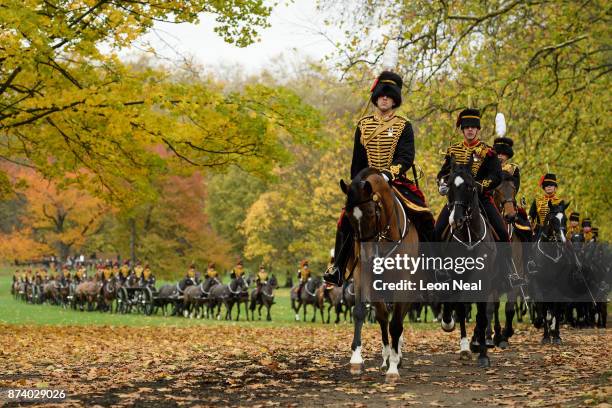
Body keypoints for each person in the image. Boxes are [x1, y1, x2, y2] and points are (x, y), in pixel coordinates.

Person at [324, 70, 435, 286]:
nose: (385, 98)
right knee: (344, 220)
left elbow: (406, 157)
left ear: (395, 99)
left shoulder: (404, 125)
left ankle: (434, 269)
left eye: (389, 95)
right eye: (381, 95)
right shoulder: (363, 125)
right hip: (366, 185)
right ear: (376, 98)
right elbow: (357, 161)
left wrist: (387, 174)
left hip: (395, 181)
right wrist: (358, 184)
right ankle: (337, 268)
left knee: (424, 215)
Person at [435, 108, 508, 243]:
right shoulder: (453, 150)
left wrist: (478, 186)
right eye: (467, 127)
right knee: (436, 231)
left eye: (473, 127)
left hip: (480, 199)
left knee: (502, 232)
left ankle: (507, 264)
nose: (470, 130)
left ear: (478, 130)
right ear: (462, 130)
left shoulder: (488, 151)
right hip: (457, 198)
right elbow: (443, 173)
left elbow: (496, 175)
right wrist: (442, 184)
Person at [493, 136, 532, 241]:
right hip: (490, 199)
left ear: (508, 156)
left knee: (525, 227)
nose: (500, 156)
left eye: (503, 154)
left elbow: (515, 186)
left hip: (507, 200)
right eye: (498, 153)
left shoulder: (513, 168)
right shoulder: (489, 167)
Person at [529, 173, 563, 238]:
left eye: (551, 185)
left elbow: (561, 219)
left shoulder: (560, 202)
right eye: (546, 185)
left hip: (555, 231)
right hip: (539, 231)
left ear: (555, 187)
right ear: (544, 187)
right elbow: (531, 216)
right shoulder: (537, 201)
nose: (549, 187)